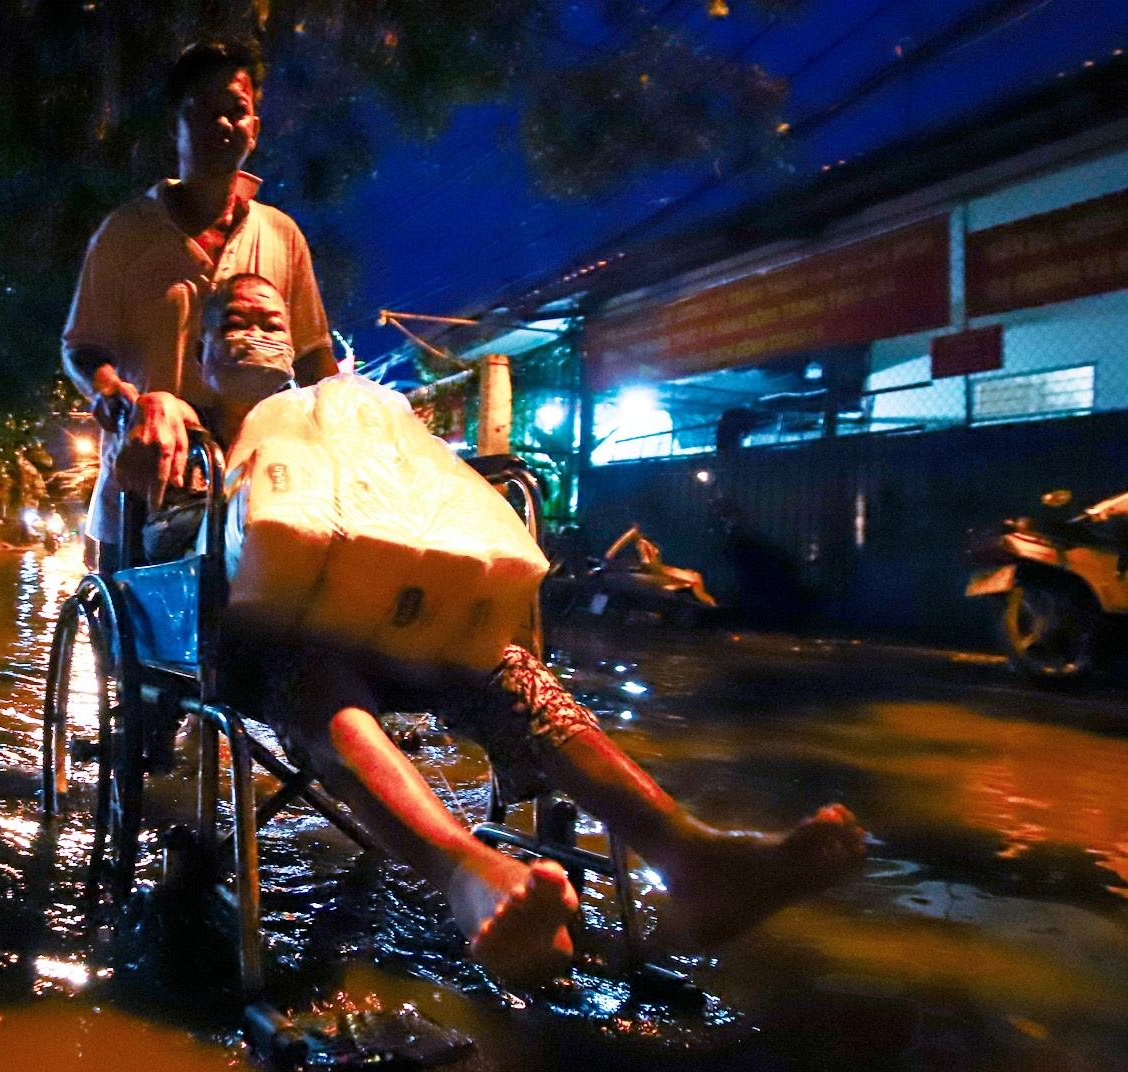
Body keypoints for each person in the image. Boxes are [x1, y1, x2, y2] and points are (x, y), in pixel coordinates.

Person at [119, 274, 867, 986]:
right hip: (256, 640)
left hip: (397, 622)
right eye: (234, 323)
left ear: (294, 344)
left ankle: (693, 858)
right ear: (202, 352)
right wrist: (192, 472)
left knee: (509, 671)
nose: (254, 335)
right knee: (321, 681)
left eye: (270, 323)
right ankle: (468, 875)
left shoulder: (336, 414)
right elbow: (152, 537)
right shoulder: (182, 433)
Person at [61, 38, 337, 569]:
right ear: (175, 125)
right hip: (143, 483)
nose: (223, 123)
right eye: (205, 110)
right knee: (133, 611)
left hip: (256, 489)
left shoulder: (282, 236)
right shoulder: (125, 233)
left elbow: (312, 359)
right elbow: (82, 346)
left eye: (237, 110)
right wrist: (110, 389)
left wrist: (354, 421)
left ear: (255, 128)